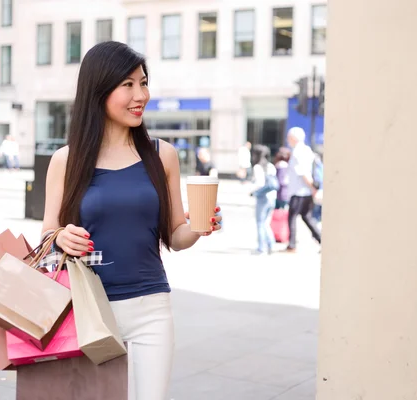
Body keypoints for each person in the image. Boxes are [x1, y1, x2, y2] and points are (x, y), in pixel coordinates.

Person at [40, 41, 223, 400]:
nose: (141, 94)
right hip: (87, 309)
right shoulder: (67, 160)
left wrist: (200, 227)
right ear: (99, 90)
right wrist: (62, 236)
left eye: (143, 82)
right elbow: (48, 233)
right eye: (127, 84)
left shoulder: (162, 155)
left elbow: (175, 234)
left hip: (150, 308)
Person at [283, 127, 321, 252]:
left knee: (292, 217)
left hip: (299, 191)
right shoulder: (307, 150)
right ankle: (321, 239)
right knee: (307, 216)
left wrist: (312, 187)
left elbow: (303, 173)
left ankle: (292, 244)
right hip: (306, 191)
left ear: (293, 138)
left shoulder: (298, 152)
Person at [250, 145, 277, 255]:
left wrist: (253, 192)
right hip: (272, 197)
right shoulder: (271, 166)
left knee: (260, 223)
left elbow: (259, 184)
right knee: (266, 223)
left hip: (262, 197)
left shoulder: (257, 167)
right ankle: (271, 245)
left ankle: (262, 248)